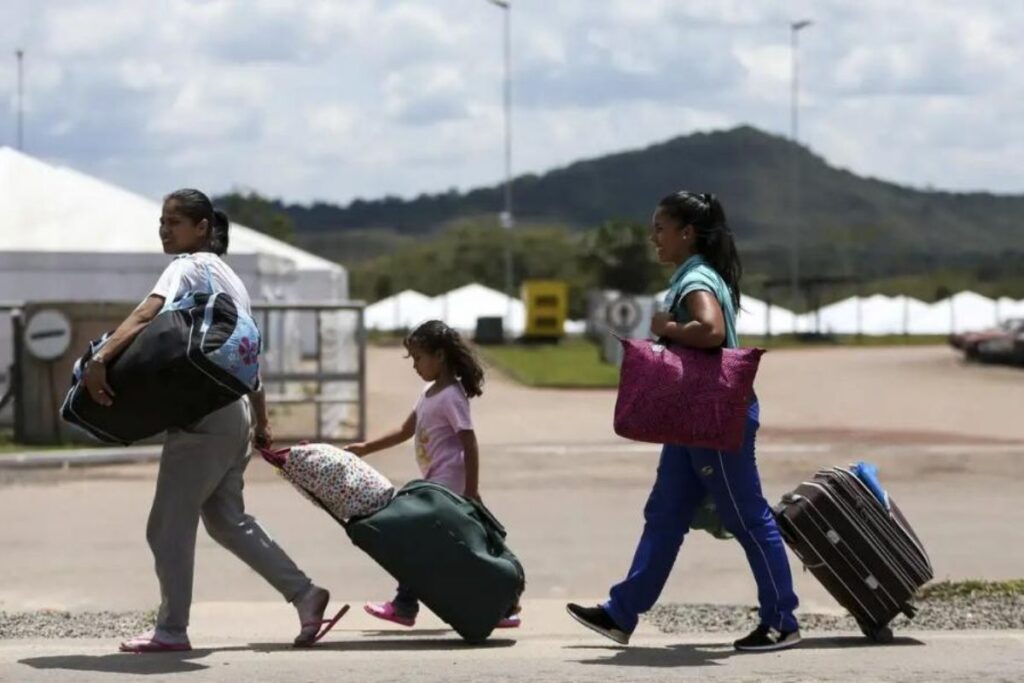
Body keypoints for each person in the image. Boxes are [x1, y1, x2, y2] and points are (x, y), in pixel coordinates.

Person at [82, 189, 336, 652]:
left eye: (174, 222)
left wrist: (100, 359)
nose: (165, 229)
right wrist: (260, 420)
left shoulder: (188, 265)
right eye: (162, 221)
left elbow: (147, 312)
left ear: (202, 229)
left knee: (166, 525)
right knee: (225, 520)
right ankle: (305, 595)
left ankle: (172, 629)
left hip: (203, 416)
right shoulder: (230, 279)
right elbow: (246, 353)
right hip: (232, 411)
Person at [566, 191, 801, 652]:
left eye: (660, 227)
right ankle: (621, 613)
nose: (654, 236)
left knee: (747, 517)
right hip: (691, 419)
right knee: (665, 514)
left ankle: (781, 620)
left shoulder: (695, 278)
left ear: (686, 233)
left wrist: (667, 329)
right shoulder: (694, 275)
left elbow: (710, 331)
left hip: (712, 417)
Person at [346, 319, 519, 628]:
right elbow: (405, 430)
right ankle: (503, 608)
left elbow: (470, 441)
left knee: (419, 542)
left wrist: (472, 490)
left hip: (449, 486)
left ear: (439, 356)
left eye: (418, 358)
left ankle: (405, 605)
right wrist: (365, 447)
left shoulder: (452, 396)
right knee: (453, 550)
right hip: (435, 484)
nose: (415, 366)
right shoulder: (429, 392)